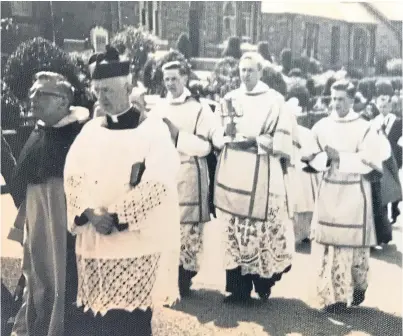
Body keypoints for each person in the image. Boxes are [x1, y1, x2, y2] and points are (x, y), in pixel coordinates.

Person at [64, 46, 180, 336]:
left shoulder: (153, 130)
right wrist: (90, 212)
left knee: (131, 322)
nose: (101, 97)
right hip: (96, 241)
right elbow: (73, 175)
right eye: (98, 90)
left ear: (128, 88)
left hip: (135, 241)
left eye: (108, 91)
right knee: (96, 319)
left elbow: (160, 182)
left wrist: (115, 217)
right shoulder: (90, 131)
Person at [214, 52, 299, 303]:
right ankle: (238, 288)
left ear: (261, 72)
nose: (245, 75)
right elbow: (218, 136)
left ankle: (264, 281)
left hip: (263, 169)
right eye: (242, 70)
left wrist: (255, 141)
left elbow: (283, 141)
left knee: (261, 230)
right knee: (234, 230)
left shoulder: (275, 101)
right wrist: (226, 136)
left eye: (251, 70)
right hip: (235, 172)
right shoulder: (229, 99)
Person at [9, 71, 89, 336]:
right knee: (36, 280)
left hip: (63, 227)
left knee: (62, 283)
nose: (33, 98)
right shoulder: (39, 131)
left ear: (64, 101)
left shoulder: (81, 135)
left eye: (41, 94)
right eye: (32, 92)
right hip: (37, 224)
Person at [305, 80, 384, 312]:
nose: (336, 103)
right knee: (328, 246)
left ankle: (357, 287)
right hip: (329, 189)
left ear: (351, 100)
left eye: (341, 99)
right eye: (333, 98)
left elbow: (371, 162)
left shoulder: (364, 127)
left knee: (350, 247)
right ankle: (333, 296)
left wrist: (340, 156)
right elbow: (310, 157)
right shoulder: (321, 125)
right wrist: (325, 159)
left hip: (354, 193)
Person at [149, 60, 222, 297]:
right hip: (164, 174)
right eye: (167, 79)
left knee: (188, 231)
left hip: (190, 173)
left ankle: (184, 277)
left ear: (185, 79)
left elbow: (205, 147)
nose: (170, 83)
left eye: (175, 78)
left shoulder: (199, 109)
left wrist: (177, 135)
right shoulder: (158, 107)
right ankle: (169, 274)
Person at [372, 80, 402, 224]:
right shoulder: (375, 121)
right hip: (379, 156)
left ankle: (395, 209)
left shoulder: (397, 121)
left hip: (394, 155)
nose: (383, 109)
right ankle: (383, 214)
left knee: (394, 183)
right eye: (381, 106)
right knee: (383, 184)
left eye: (386, 106)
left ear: (390, 106)